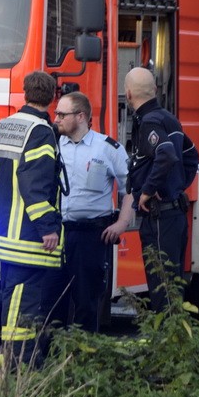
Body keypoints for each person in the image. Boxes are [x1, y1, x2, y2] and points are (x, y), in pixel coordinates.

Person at [0, 71, 64, 367]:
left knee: (12, 303)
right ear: (53, 97)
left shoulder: (4, 126)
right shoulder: (41, 131)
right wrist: (48, 227)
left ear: (24, 92)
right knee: (24, 308)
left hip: (6, 233)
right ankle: (21, 367)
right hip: (30, 240)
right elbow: (36, 185)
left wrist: (3, 211)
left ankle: (14, 364)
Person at [54, 91, 135, 332]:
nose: (55, 118)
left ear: (80, 116)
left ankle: (84, 358)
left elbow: (129, 188)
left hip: (91, 235)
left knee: (86, 300)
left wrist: (121, 223)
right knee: (54, 300)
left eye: (61, 114)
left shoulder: (107, 148)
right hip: (57, 234)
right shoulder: (54, 146)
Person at [124, 67, 199, 314]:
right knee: (173, 286)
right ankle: (175, 342)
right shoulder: (169, 118)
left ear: (128, 94)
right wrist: (176, 187)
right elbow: (191, 156)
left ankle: (166, 345)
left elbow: (165, 153)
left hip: (159, 217)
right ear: (154, 90)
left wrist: (148, 190)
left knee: (162, 289)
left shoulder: (149, 122)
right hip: (173, 214)